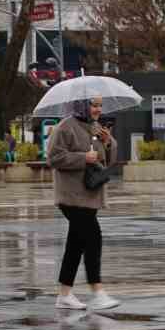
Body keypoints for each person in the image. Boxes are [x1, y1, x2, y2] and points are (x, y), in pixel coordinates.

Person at [47, 97, 119, 311]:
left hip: (89, 194)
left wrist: (108, 142)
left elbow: (106, 160)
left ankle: (65, 294)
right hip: (71, 195)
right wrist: (83, 158)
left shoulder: (95, 127)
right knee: (93, 237)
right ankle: (97, 291)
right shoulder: (64, 127)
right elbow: (53, 157)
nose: (97, 109)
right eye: (93, 105)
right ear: (81, 105)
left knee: (76, 243)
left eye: (99, 105)